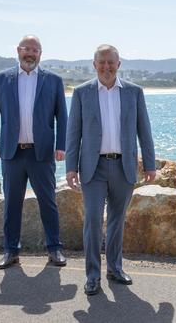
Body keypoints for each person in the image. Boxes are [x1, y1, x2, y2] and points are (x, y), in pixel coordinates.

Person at [65, 44, 156, 296]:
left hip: (123, 166)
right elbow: (73, 133)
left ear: (119, 64)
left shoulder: (134, 92)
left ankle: (115, 268)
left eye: (111, 62)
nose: (106, 67)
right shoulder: (82, 93)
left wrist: (150, 163)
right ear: (94, 65)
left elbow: (144, 130)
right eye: (101, 62)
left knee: (117, 221)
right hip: (92, 169)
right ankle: (92, 275)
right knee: (93, 220)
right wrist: (70, 167)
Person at [0, 35, 68, 269]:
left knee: (48, 202)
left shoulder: (54, 80)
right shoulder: (2, 79)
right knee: (12, 204)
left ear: (41, 54)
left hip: (41, 154)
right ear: (18, 50)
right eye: (27, 49)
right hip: (12, 153)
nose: (30, 53)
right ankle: (11, 251)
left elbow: (62, 116)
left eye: (35, 50)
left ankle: (54, 249)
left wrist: (62, 146)